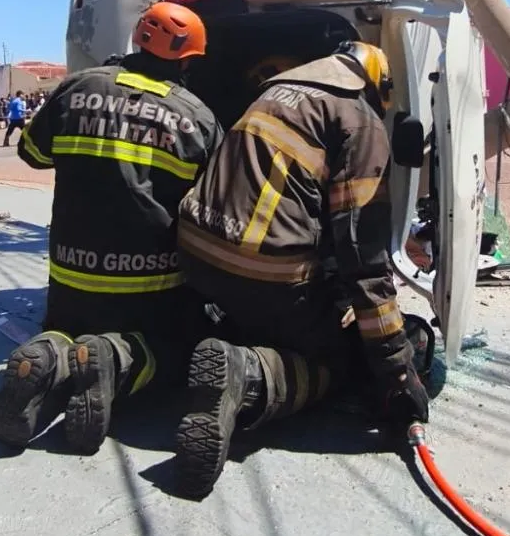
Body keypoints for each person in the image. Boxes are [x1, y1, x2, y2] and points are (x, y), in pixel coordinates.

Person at [171, 40, 430, 498]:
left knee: (272, 313)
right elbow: (362, 254)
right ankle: (248, 375)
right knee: (340, 358)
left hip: (196, 257)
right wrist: (393, 367)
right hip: (264, 272)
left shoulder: (273, 94)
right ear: (376, 86)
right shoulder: (359, 119)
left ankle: (233, 342)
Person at [0, 2, 223, 454]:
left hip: (72, 274)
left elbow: (32, 154)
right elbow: (213, 204)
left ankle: (51, 352)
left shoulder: (78, 86)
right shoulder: (199, 118)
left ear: (137, 39)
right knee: (178, 347)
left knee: (66, 330)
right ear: (187, 60)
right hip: (151, 284)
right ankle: (116, 358)